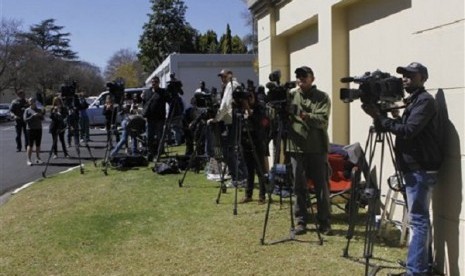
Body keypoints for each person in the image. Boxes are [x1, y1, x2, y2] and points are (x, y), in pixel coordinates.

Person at [363, 62, 443, 276]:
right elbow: (406, 126)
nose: (405, 78)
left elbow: (409, 131)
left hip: (420, 169)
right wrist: (387, 116)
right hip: (414, 168)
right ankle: (420, 264)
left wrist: (380, 118)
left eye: (411, 75)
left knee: (418, 220)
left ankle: (416, 271)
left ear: (423, 78)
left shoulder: (424, 101)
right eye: (404, 75)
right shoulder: (414, 101)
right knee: (419, 219)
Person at [286, 66, 332, 235]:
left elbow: (322, 120)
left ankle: (325, 222)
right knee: (298, 186)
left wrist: (303, 114)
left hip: (317, 148)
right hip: (296, 147)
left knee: (321, 187)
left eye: (304, 76)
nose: (301, 79)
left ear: (312, 78)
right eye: (298, 76)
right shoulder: (291, 96)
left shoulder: (322, 97)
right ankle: (300, 221)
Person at [207, 69, 247, 187]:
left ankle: (238, 178)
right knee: (233, 150)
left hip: (233, 120)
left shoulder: (231, 85)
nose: (222, 79)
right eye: (221, 77)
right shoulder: (232, 85)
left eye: (224, 76)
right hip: (232, 120)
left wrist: (216, 118)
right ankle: (239, 176)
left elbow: (225, 104)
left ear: (230, 75)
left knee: (230, 150)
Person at [239, 86, 269, 204]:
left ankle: (262, 196)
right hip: (245, 141)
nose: (249, 99)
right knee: (249, 169)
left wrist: (249, 111)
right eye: (247, 97)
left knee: (260, 169)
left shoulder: (260, 107)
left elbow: (261, 123)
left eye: (250, 96)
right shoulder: (241, 108)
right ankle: (248, 194)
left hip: (257, 141)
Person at [142, 76, 169, 161]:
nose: (154, 83)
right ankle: (150, 153)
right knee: (149, 137)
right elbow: (144, 104)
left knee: (159, 137)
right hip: (150, 119)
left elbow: (170, 101)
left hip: (160, 119)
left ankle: (159, 153)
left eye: (156, 82)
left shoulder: (163, 92)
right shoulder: (147, 92)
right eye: (153, 82)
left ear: (159, 82)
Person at [23, 97, 45, 165]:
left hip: (38, 128)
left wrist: (40, 115)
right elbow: (25, 120)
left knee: (38, 144)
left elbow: (42, 118)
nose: (32, 102)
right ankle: (29, 160)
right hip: (30, 129)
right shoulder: (27, 110)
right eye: (30, 101)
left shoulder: (38, 110)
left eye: (33, 101)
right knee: (30, 145)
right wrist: (32, 116)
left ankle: (38, 158)